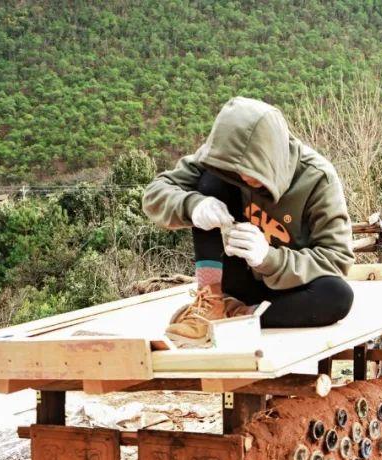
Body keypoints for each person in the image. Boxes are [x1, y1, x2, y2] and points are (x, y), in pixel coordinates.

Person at [143, 97, 355, 347]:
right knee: (211, 182)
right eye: (236, 171)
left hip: (287, 288)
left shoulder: (318, 178)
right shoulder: (221, 160)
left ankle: (236, 315)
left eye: (250, 172)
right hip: (231, 277)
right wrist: (192, 206)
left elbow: (337, 258)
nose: (241, 177)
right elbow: (154, 194)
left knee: (337, 296)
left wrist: (269, 258)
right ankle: (211, 302)